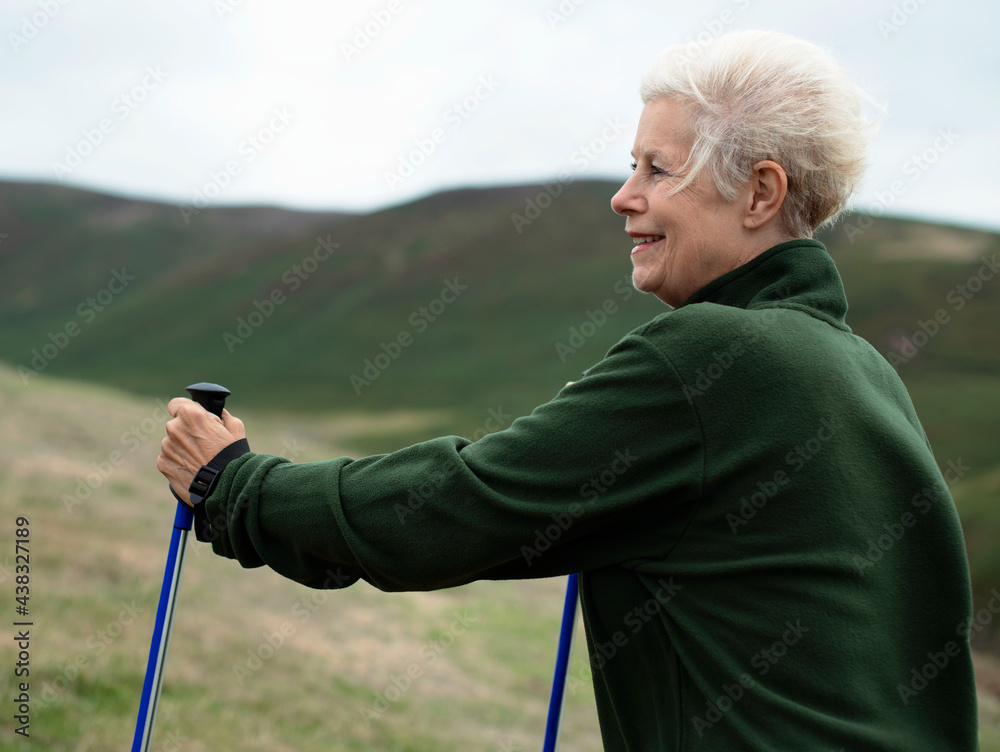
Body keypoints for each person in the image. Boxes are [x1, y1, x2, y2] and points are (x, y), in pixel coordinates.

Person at [158, 30, 979, 751]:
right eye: (632, 165)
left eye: (659, 169)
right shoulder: (863, 371)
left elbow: (460, 508)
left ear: (760, 193)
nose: (624, 197)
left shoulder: (718, 356)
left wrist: (235, 485)